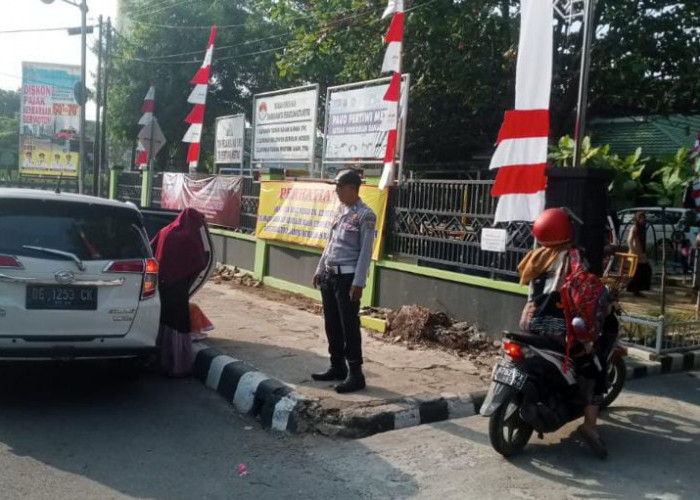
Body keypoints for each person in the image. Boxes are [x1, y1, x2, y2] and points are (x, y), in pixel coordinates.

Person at [519, 207, 611, 458]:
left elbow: (532, 295)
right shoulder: (574, 258)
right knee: (596, 370)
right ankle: (589, 426)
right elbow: (585, 294)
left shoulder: (534, 258)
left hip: (530, 325)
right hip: (560, 330)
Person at [311, 169, 377, 393]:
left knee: (349, 326)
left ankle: (356, 374)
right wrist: (320, 268)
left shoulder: (365, 215)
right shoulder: (342, 212)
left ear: (351, 188)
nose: (336, 191)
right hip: (330, 276)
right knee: (332, 324)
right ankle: (336, 365)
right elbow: (330, 244)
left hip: (347, 279)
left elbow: (366, 253)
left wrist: (358, 283)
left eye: (339, 187)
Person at [150, 208, 209, 376]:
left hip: (161, 283)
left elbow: (151, 247)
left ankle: (159, 359)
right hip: (179, 286)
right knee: (178, 324)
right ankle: (177, 364)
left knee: (163, 320)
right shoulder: (190, 237)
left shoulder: (165, 231)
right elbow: (200, 261)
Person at [627, 211, 652, 297]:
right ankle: (635, 290)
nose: (643, 220)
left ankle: (637, 289)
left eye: (644, 218)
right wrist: (633, 251)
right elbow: (629, 240)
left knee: (646, 270)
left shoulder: (642, 228)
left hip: (641, 254)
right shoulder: (634, 228)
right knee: (638, 273)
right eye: (641, 218)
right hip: (635, 254)